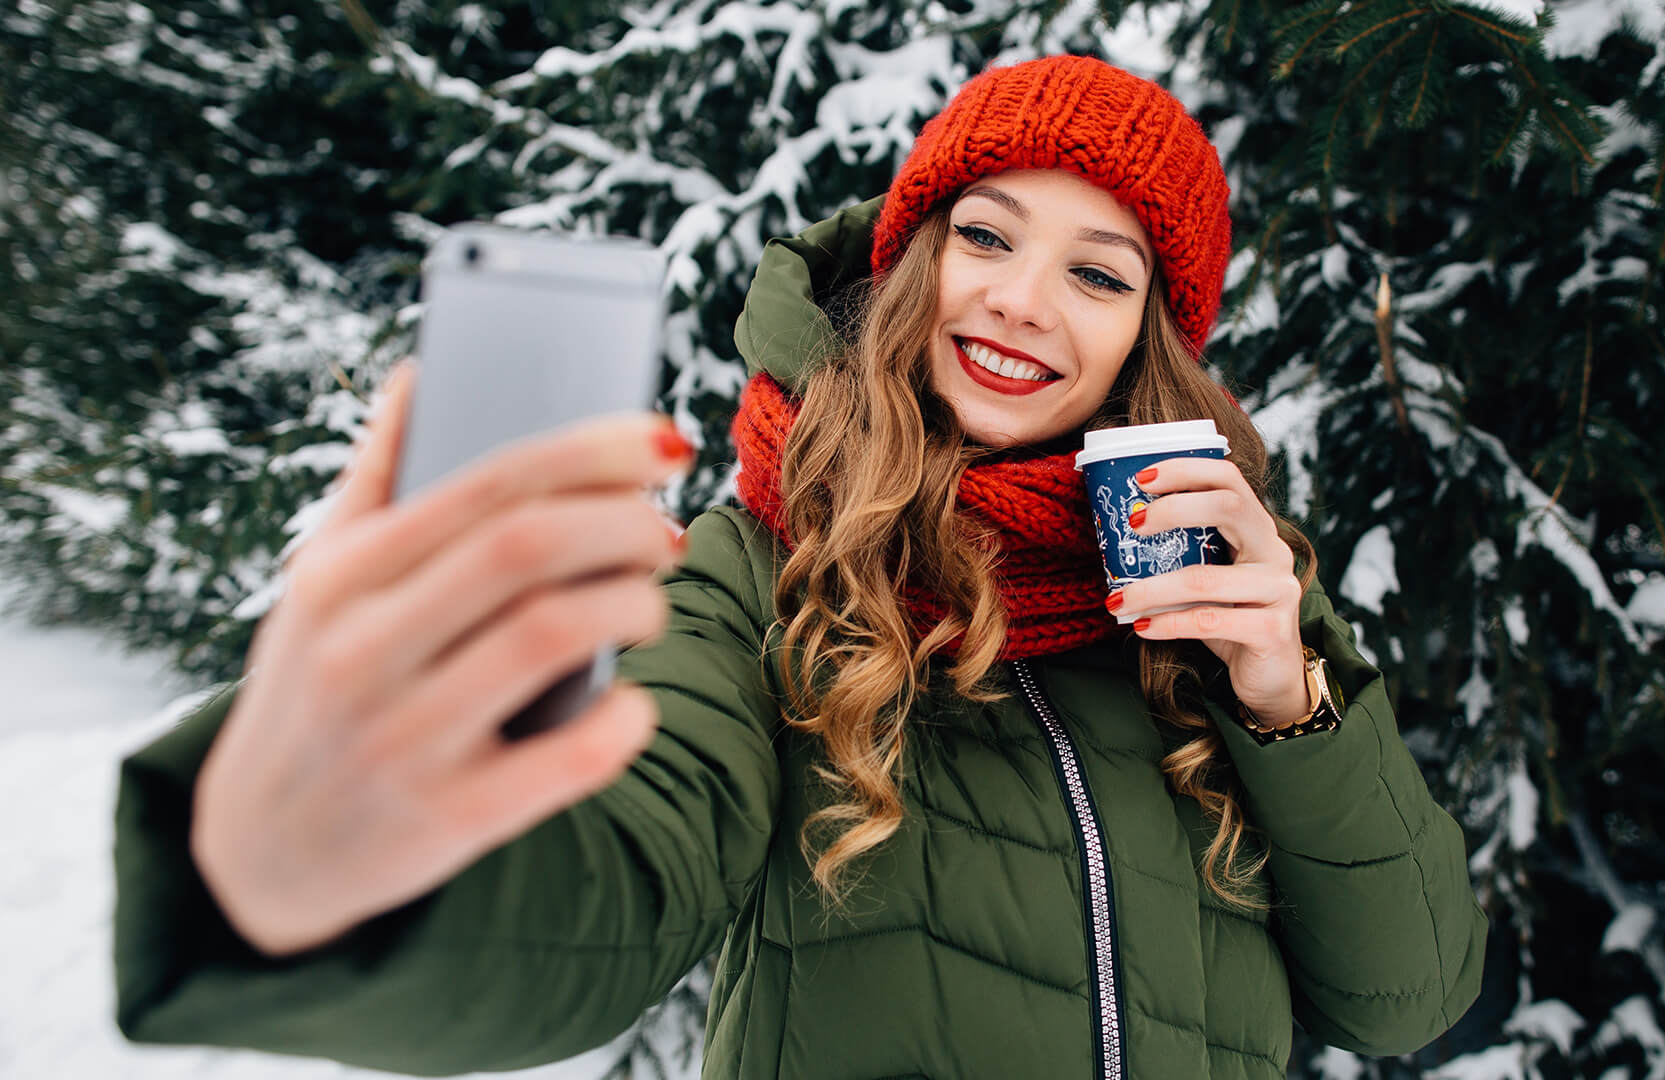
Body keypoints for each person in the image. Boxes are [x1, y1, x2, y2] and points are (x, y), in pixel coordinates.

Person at [113, 55, 1486, 1079]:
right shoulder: (764, 560)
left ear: (1152, 336)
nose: (1018, 299)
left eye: (1098, 273)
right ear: (912, 260)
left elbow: (1405, 1000)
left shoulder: (1225, 578)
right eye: (988, 237)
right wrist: (318, 876)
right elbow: (617, 894)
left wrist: (1288, 697)